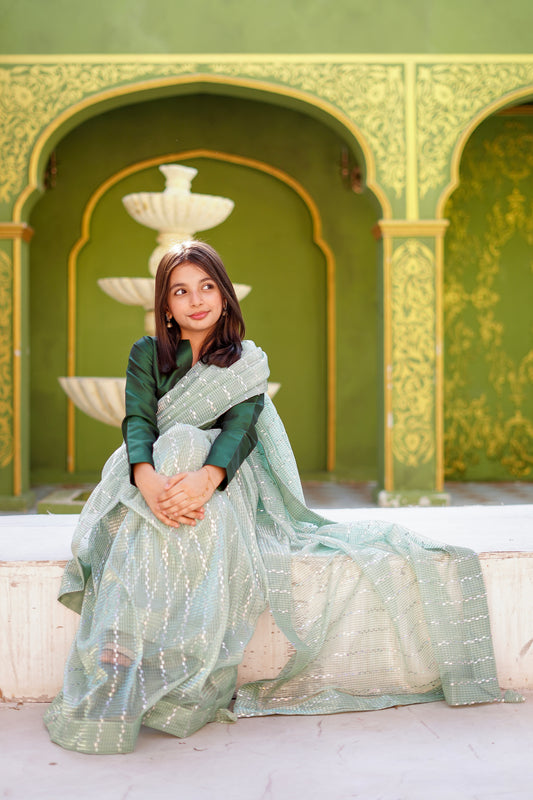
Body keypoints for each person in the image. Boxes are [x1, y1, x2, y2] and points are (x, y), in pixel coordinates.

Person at [44, 241, 519, 755]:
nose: (196, 300)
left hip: (224, 479)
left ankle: (123, 663)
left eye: (207, 287)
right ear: (166, 305)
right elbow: (138, 419)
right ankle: (146, 666)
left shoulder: (246, 361)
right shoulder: (147, 353)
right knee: (174, 444)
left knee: (185, 447)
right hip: (151, 477)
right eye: (181, 291)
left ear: (225, 296)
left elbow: (240, 431)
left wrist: (205, 480)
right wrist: (148, 481)